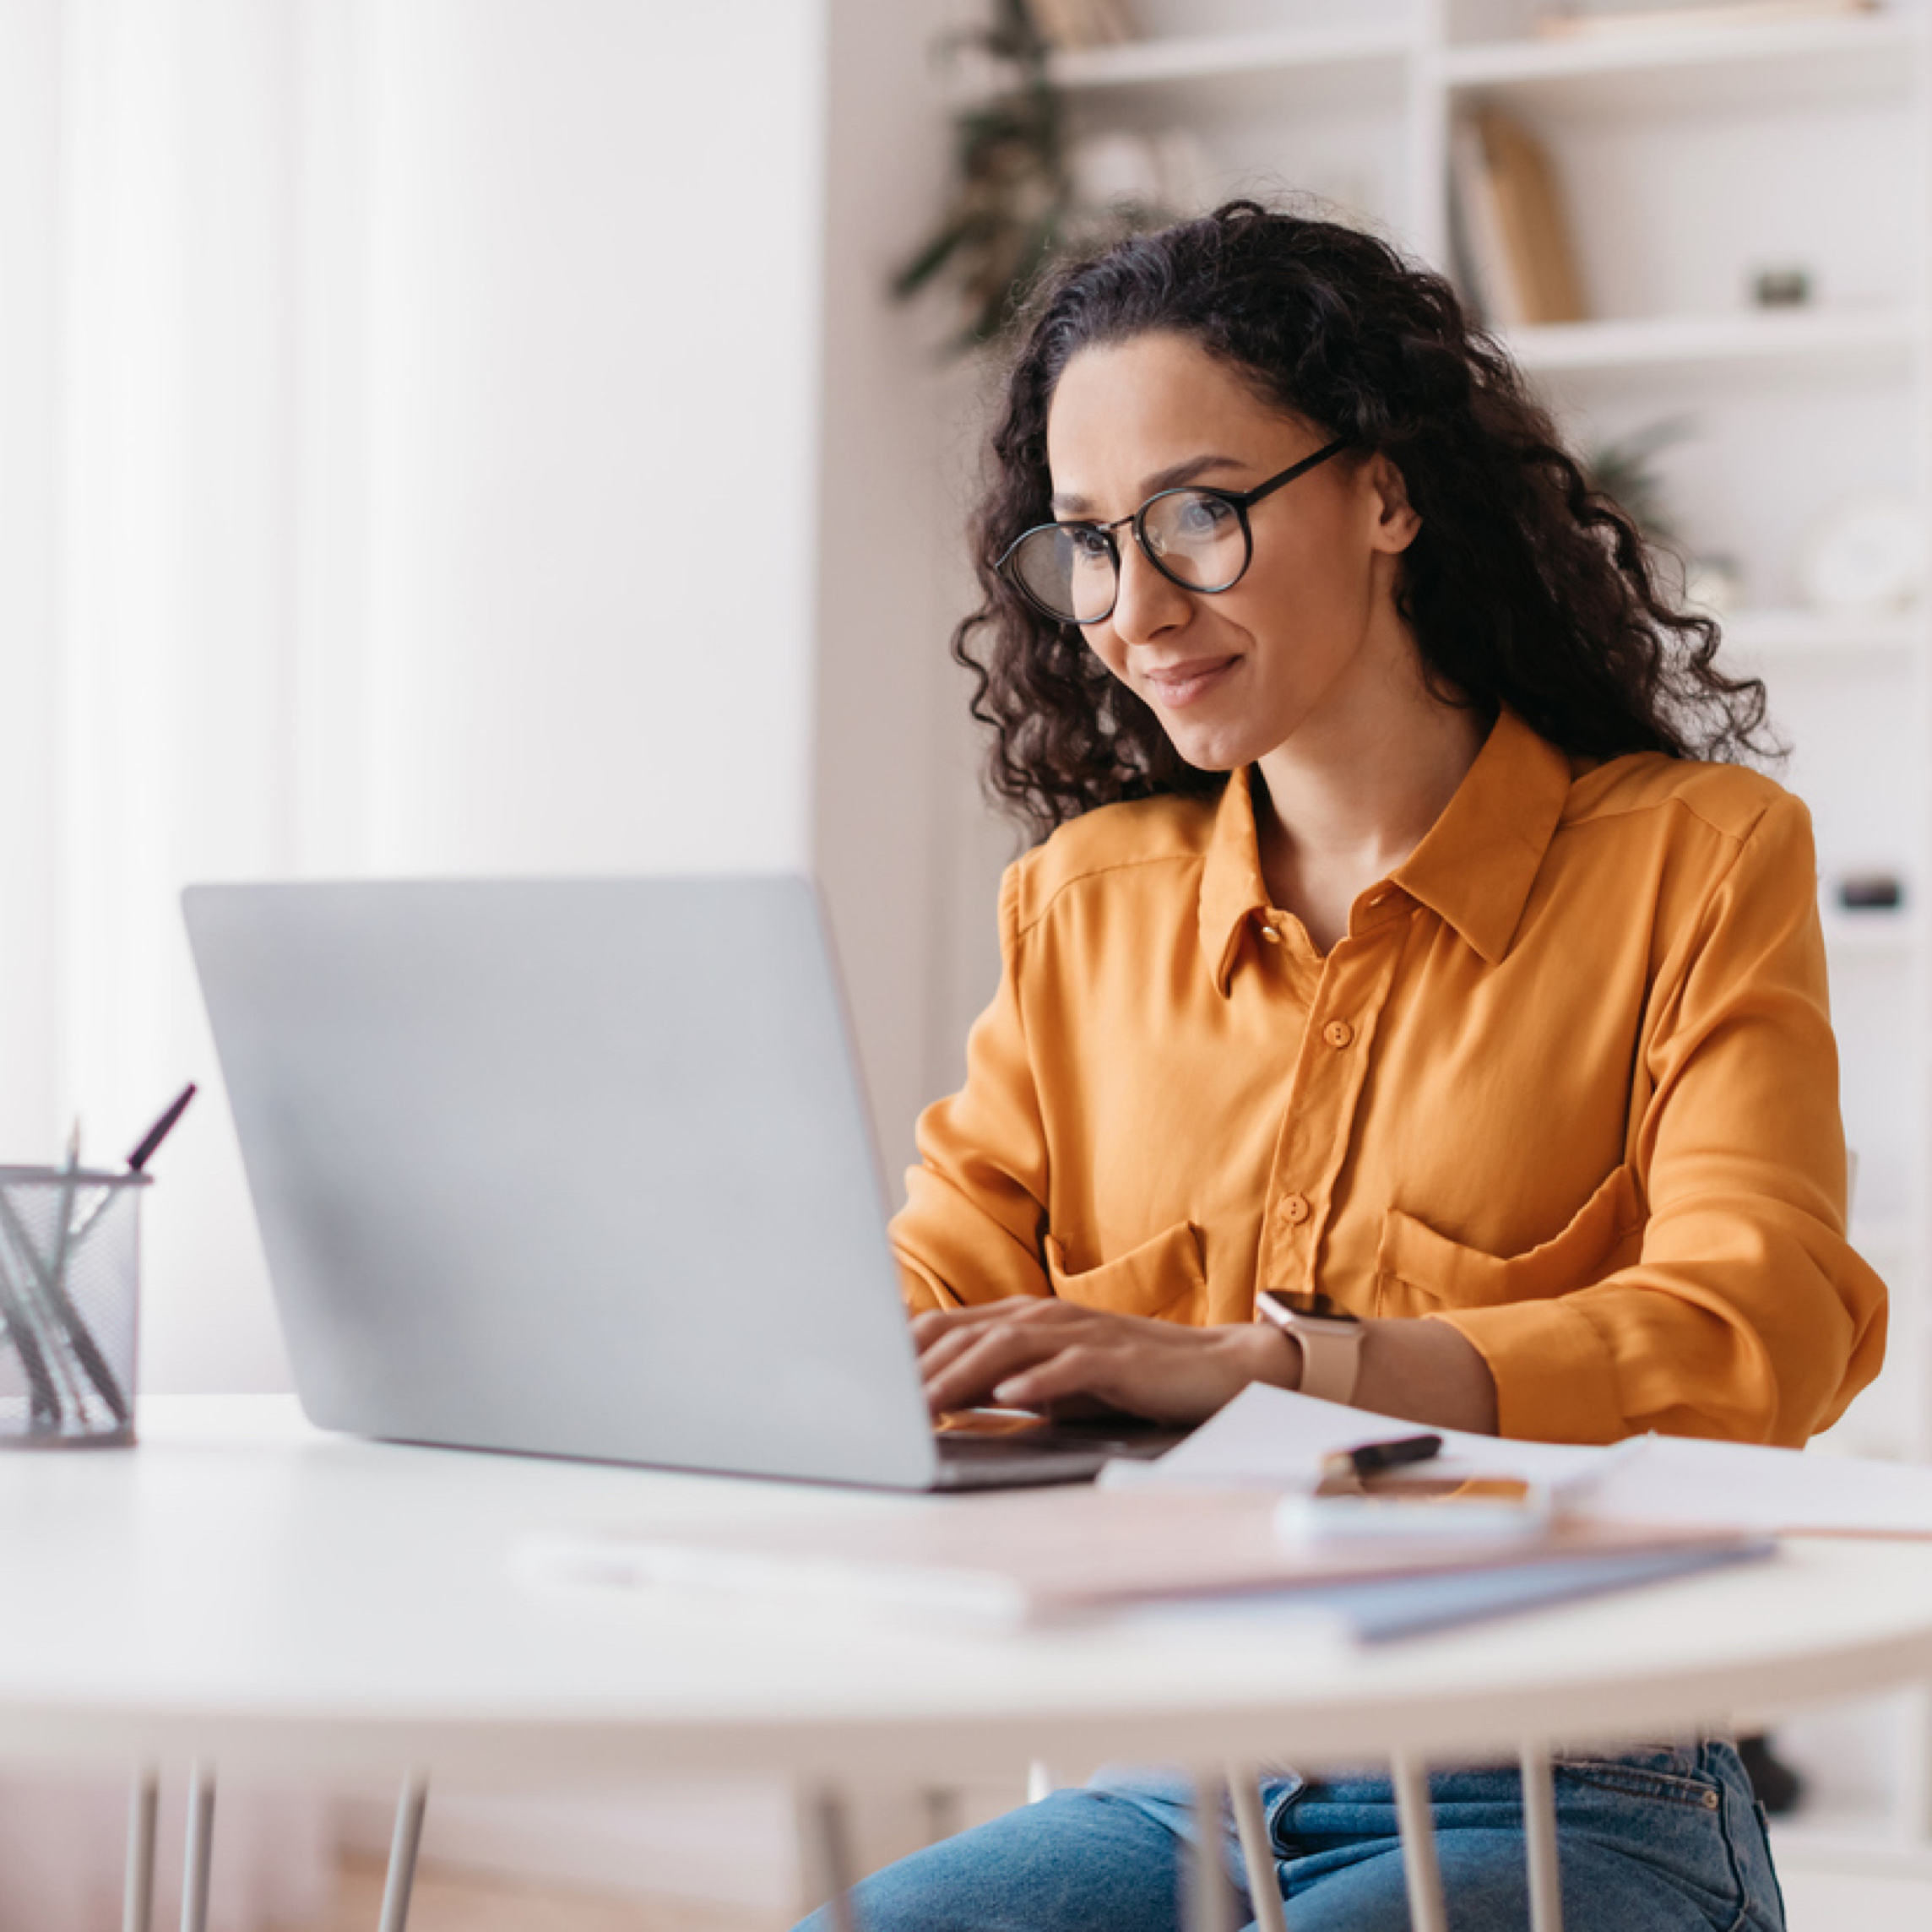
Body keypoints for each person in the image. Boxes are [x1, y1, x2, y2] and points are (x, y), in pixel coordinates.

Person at [806, 203, 1886, 1931]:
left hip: (1574, 1784)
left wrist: (1272, 1365)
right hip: (1171, 1775)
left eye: (1196, 514)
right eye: (1084, 541)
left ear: (1384, 492)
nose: (1130, 605)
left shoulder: (1692, 856)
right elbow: (930, 1306)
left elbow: (1757, 1328)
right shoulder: (1084, 909)